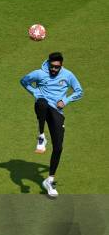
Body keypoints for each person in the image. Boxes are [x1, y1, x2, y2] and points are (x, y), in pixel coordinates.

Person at [20, 52, 83, 197]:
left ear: (61, 65)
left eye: (57, 67)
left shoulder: (68, 75)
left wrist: (65, 101)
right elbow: (23, 81)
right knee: (42, 103)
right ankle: (41, 136)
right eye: (52, 66)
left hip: (57, 111)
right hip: (42, 106)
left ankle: (49, 180)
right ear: (48, 63)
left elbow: (79, 91)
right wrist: (36, 92)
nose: (54, 70)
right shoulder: (39, 73)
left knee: (58, 147)